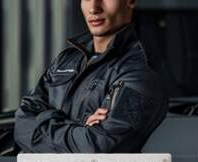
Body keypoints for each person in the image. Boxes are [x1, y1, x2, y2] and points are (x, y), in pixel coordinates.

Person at [14, 0, 168, 153]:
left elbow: (97, 145)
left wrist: (42, 125)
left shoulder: (140, 72)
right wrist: (79, 126)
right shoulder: (67, 60)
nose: (94, 8)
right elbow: (21, 126)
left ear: (130, 1)